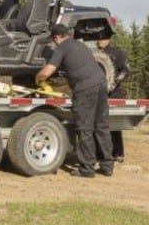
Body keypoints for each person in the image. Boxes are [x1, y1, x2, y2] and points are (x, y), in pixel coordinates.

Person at [35, 24, 114, 178]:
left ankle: (87, 169)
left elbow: (48, 71)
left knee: (85, 128)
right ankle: (107, 165)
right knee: (101, 126)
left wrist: (38, 78)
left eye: (54, 40)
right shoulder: (80, 45)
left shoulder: (61, 48)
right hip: (101, 84)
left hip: (85, 88)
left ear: (57, 37)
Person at [97, 35, 129, 162]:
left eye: (102, 38)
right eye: (98, 39)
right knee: (99, 124)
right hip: (98, 93)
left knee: (115, 125)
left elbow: (126, 70)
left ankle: (119, 153)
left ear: (108, 39)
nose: (100, 41)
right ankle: (100, 153)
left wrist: (115, 82)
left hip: (114, 93)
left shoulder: (117, 53)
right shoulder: (93, 53)